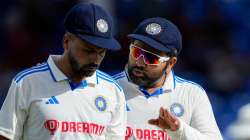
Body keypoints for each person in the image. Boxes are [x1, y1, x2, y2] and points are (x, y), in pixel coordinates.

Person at [0, 3, 126, 140]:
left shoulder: (113, 91)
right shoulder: (26, 83)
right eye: (88, 50)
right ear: (66, 42)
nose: (95, 59)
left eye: (101, 52)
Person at [113, 17, 223, 140]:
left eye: (150, 57)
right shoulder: (109, 89)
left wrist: (179, 130)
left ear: (171, 63)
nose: (139, 62)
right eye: (136, 52)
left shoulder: (191, 93)